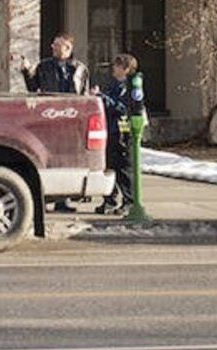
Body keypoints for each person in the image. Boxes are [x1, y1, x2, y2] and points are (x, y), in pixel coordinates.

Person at [23, 34, 90, 212]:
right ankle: (44, 198)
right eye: (53, 44)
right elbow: (33, 88)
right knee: (45, 157)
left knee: (66, 159)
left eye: (58, 45)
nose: (53, 47)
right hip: (48, 116)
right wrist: (26, 71)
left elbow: (83, 95)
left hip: (70, 117)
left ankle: (63, 199)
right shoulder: (44, 66)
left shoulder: (80, 68)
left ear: (68, 48)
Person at [99, 52, 145, 216]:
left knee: (124, 169)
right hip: (111, 131)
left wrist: (102, 98)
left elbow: (123, 108)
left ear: (125, 69)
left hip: (123, 133)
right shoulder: (114, 86)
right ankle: (110, 199)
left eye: (117, 65)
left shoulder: (131, 88)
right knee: (110, 165)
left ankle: (129, 201)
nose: (114, 68)